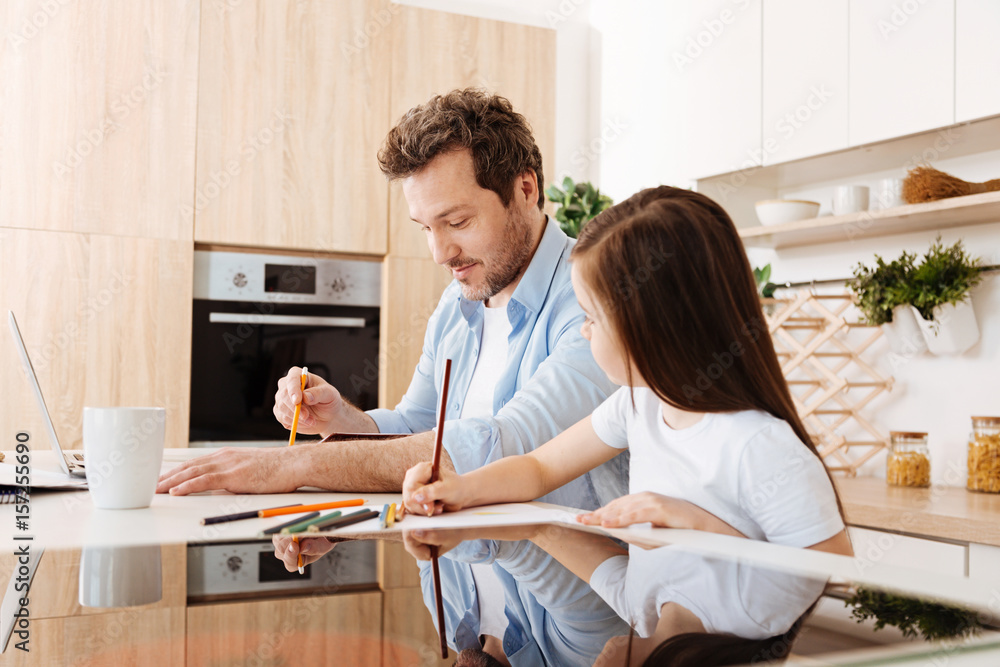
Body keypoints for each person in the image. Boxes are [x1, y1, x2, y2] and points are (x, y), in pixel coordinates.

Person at [157, 88, 627, 660]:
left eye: (456, 221)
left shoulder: (592, 299)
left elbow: (498, 452)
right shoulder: (457, 308)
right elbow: (417, 426)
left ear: (525, 188)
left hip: (575, 649)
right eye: (424, 227)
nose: (439, 251)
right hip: (470, 645)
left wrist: (298, 464)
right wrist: (349, 424)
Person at [403, 185, 854, 557]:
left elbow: (835, 579)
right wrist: (460, 489)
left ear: (656, 322)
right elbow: (539, 468)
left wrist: (696, 524)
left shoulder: (761, 447)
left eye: (592, 317)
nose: (582, 332)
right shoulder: (638, 406)